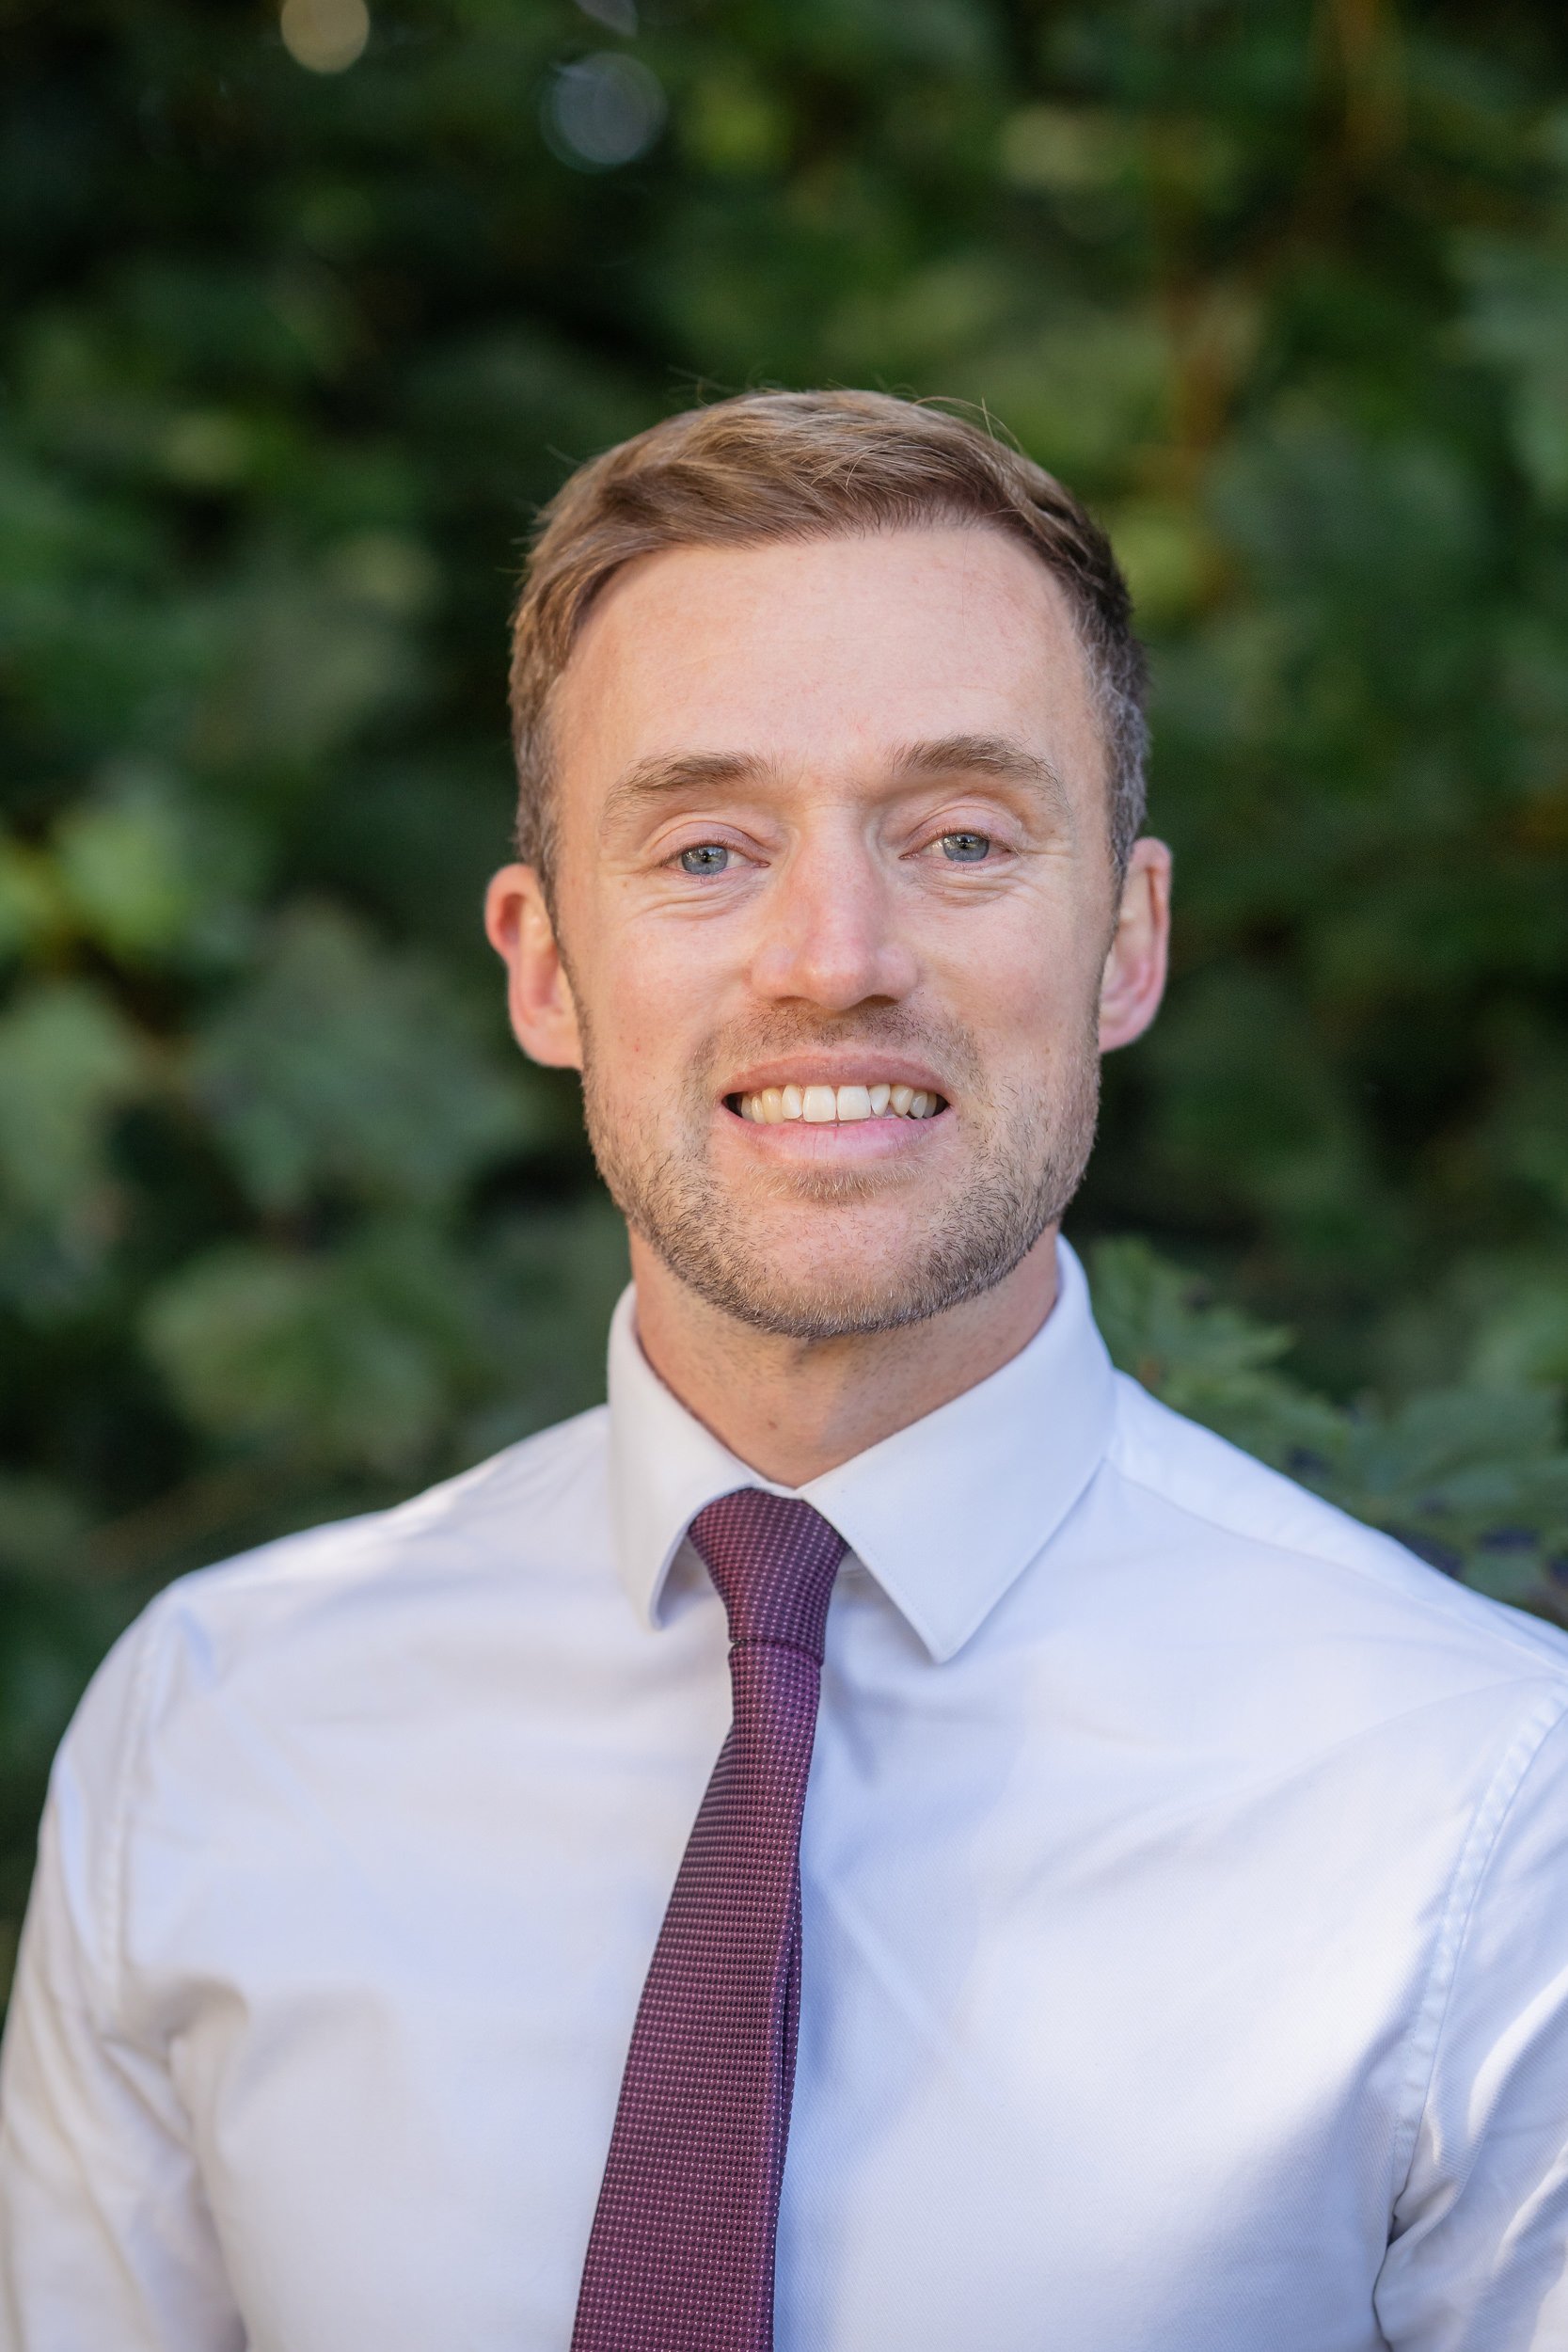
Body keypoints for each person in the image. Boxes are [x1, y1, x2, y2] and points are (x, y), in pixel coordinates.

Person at [3, 389, 1567, 2352]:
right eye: (710, 846)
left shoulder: (1488, 1808)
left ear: (1129, 940)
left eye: (964, 836)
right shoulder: (217, 1729)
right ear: (547, 965)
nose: (835, 954)